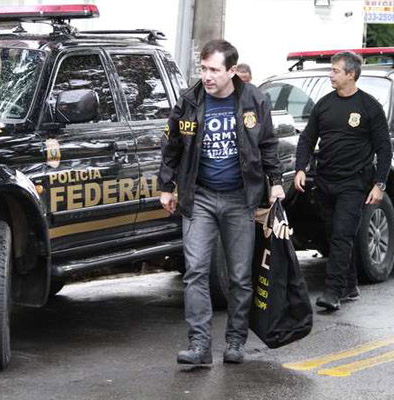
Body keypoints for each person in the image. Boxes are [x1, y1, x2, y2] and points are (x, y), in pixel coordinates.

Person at [158, 39, 285, 366]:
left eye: (214, 69)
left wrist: (276, 182)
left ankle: (236, 341)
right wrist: (166, 187)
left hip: (240, 199)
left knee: (239, 276)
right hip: (198, 197)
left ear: (232, 71)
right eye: (203, 69)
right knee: (195, 271)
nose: (207, 76)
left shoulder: (254, 100)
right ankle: (199, 345)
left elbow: (268, 145)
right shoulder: (189, 100)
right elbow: (171, 146)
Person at [294, 51, 392, 311]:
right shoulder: (324, 104)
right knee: (334, 235)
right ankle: (349, 285)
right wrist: (300, 168)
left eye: (335, 71)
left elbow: (384, 148)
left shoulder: (369, 107)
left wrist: (379, 184)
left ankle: (332, 292)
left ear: (351, 74)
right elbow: (307, 139)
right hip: (326, 182)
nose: (331, 75)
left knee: (341, 235)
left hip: (354, 184)